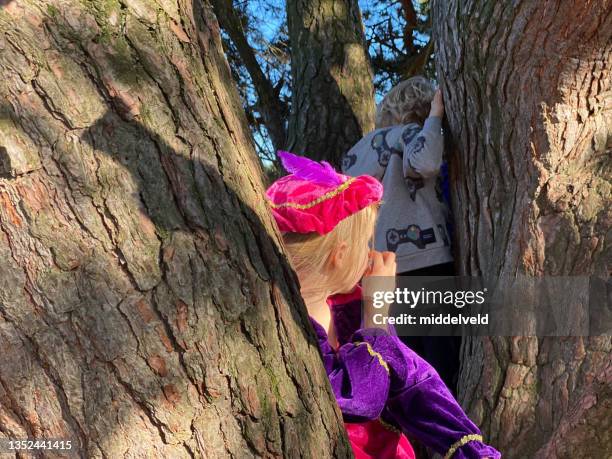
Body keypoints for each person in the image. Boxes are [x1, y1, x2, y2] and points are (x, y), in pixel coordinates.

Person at [266, 151, 500, 459]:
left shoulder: (348, 305)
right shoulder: (283, 323)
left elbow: (414, 379)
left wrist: (467, 447)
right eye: (366, 244)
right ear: (340, 254)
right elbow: (361, 398)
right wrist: (376, 313)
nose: (371, 254)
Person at [341, 76, 459, 390]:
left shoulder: (358, 152)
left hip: (384, 268)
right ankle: (449, 423)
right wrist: (435, 119)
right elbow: (425, 162)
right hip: (426, 260)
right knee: (443, 359)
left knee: (410, 358)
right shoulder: (409, 135)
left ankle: (415, 429)